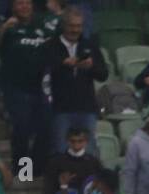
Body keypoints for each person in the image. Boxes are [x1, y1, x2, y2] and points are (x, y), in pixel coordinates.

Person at [0, 0, 53, 175]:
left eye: (27, 3)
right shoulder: (8, 27)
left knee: (45, 129)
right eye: (20, 4)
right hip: (16, 89)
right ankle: (24, 173)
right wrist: (4, 28)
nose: (24, 7)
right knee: (22, 130)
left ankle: (36, 170)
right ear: (13, 7)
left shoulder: (41, 25)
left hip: (41, 88)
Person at [44, 7, 108, 156]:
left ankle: (90, 180)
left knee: (90, 151)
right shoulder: (50, 46)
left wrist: (91, 67)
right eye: (72, 26)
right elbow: (42, 70)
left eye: (79, 26)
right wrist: (63, 64)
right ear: (64, 25)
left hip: (86, 108)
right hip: (60, 109)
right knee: (60, 151)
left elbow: (103, 74)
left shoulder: (90, 45)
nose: (75, 30)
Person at [40, 126, 103, 194]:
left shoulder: (94, 163)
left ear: (86, 142)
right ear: (67, 141)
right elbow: (48, 191)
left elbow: (100, 191)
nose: (76, 144)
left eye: (80, 141)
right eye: (73, 141)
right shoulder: (56, 162)